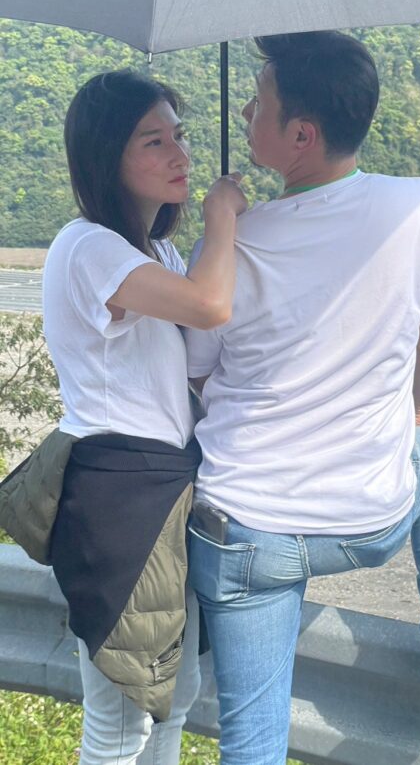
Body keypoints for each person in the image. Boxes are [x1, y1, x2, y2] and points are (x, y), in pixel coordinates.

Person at [184, 32, 420, 765]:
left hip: (241, 530)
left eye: (259, 102)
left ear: (300, 136)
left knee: (251, 741)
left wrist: (223, 221)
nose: (245, 111)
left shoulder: (229, 244)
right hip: (366, 519)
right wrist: (419, 407)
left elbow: (198, 376)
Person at [41, 69, 247, 765]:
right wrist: (222, 217)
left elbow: (192, 363)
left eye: (179, 136)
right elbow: (209, 307)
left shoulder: (152, 251)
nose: (179, 154)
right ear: (108, 157)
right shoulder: (89, 246)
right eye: (153, 141)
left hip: (160, 490)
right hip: (120, 494)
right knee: (120, 724)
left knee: (175, 695)